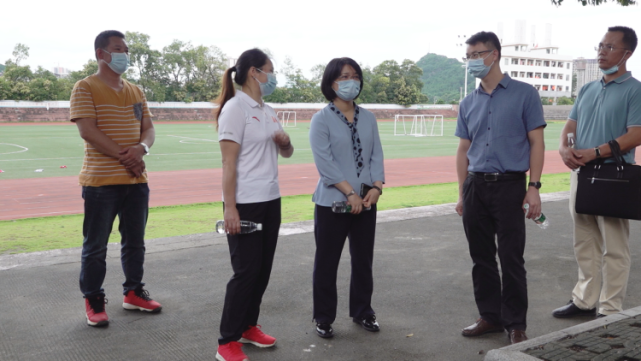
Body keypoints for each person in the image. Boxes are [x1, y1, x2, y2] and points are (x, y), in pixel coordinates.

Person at [455, 31, 546, 345]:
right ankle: (490, 317)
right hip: (475, 186)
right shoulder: (468, 102)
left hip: (510, 186)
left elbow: (537, 142)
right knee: (481, 257)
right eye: (469, 56)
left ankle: (515, 323)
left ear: (495, 54)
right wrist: (461, 193)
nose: (473, 61)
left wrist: (533, 187)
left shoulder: (524, 94)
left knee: (511, 257)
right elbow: (463, 150)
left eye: (478, 54)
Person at [69, 30, 162, 327]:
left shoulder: (136, 91)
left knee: (135, 242)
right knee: (95, 245)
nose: (124, 54)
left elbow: (148, 128)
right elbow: (88, 131)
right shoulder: (85, 88)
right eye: (117, 49)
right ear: (101, 54)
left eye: (125, 49)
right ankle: (94, 299)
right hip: (101, 182)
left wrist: (142, 149)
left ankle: (133, 292)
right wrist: (129, 158)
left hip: (136, 182)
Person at [552, 26, 641, 319]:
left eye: (610, 47)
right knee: (584, 241)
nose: (602, 52)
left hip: (613, 176)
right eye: (600, 46)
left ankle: (610, 308)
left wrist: (594, 152)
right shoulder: (588, 88)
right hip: (581, 174)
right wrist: (565, 149)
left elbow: (635, 135)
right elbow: (570, 126)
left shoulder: (635, 90)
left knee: (614, 247)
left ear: (627, 53)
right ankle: (584, 300)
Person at [215, 48, 294, 361]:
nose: (272, 77)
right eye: (269, 70)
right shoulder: (236, 109)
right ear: (253, 72)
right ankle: (226, 342)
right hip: (245, 203)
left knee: (262, 270)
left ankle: (249, 327)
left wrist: (286, 144)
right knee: (245, 272)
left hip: (270, 199)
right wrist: (230, 208)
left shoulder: (269, 109)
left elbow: (285, 153)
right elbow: (228, 163)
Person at [309, 57, 385, 339]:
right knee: (327, 261)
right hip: (332, 203)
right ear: (331, 83)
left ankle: (363, 311)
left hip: (366, 202)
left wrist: (377, 187)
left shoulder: (369, 117)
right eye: (343, 77)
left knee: (363, 260)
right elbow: (325, 163)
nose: (350, 81)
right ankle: (324, 317)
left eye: (354, 76)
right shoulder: (321, 119)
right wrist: (349, 193)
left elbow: (376, 154)